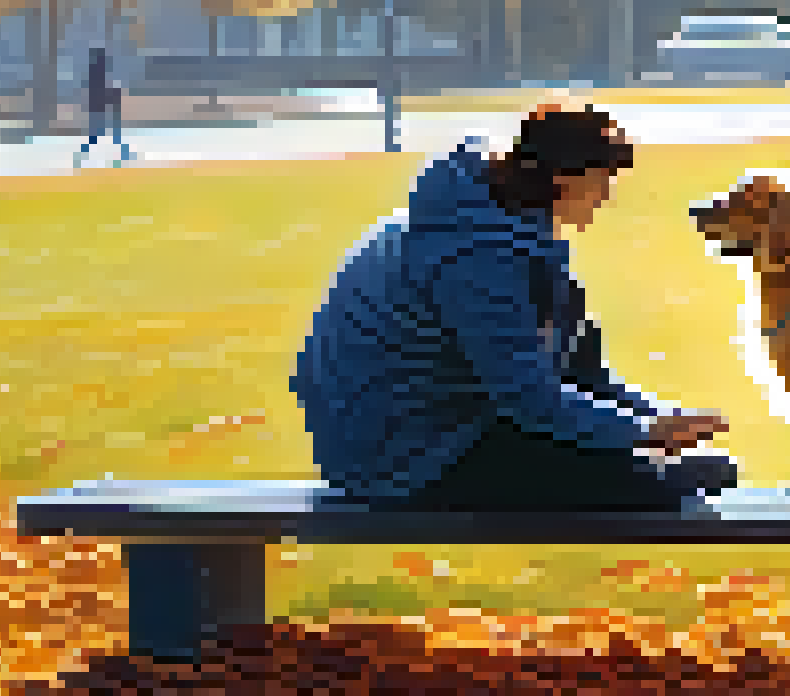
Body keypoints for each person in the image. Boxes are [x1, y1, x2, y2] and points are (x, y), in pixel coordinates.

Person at [293, 103, 738, 511]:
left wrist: (655, 419)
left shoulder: (510, 233)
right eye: (606, 181)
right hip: (402, 457)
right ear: (567, 179)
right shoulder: (474, 257)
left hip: (450, 427)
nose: (608, 197)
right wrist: (643, 435)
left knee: (675, 474)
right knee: (649, 488)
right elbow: (529, 398)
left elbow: (581, 374)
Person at [76, 46, 131, 167]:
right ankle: (123, 154)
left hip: (98, 107)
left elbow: (96, 91)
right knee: (101, 133)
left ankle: (123, 154)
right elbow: (100, 91)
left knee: (97, 134)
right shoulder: (97, 76)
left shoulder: (94, 75)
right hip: (99, 107)